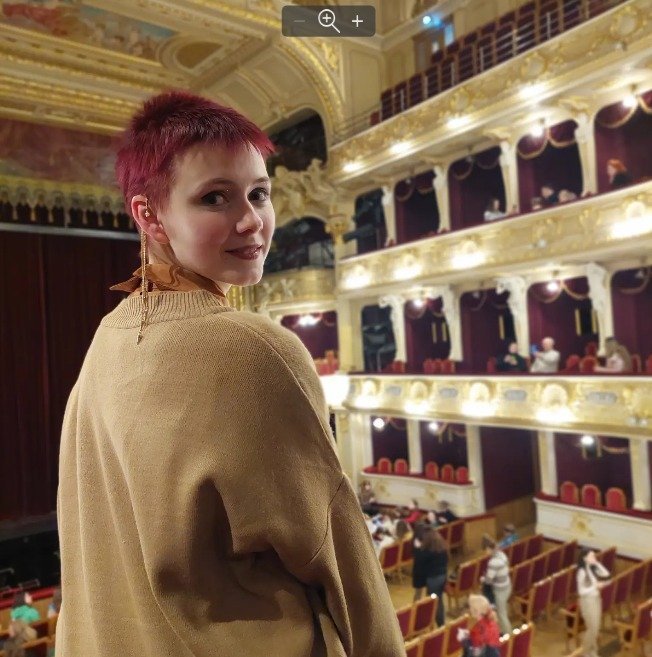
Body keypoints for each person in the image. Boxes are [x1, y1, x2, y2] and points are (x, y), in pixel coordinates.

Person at [56, 91, 404, 657]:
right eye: (214, 198)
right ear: (149, 215)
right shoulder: (254, 349)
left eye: (259, 193)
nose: (252, 221)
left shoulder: (107, 338)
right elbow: (342, 561)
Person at [577, 548, 611, 657]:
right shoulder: (582, 572)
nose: (594, 557)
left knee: (596, 627)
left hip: (596, 599)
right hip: (587, 602)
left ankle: (592, 651)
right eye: (591, 556)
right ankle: (585, 652)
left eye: (594, 556)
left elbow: (606, 574)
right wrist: (595, 586)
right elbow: (581, 591)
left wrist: (597, 563)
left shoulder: (592, 568)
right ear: (585, 558)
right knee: (592, 628)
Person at [412, 527, 449, 625]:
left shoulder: (427, 552)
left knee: (434, 602)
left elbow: (419, 561)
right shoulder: (442, 548)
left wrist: (417, 548)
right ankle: (440, 623)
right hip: (442, 577)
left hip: (433, 581)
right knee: (439, 600)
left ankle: (439, 624)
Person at [480, 535, 512, 634]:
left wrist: (483, 579)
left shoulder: (493, 562)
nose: (485, 553)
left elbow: (489, 581)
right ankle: (503, 631)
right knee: (503, 612)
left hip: (500, 590)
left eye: (485, 550)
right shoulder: (502, 554)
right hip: (507, 586)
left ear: (488, 548)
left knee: (502, 615)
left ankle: (508, 636)